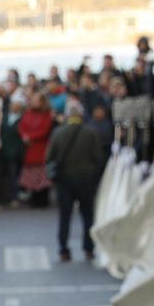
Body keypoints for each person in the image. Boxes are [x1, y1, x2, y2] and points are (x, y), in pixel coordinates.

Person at [46, 104, 105, 262]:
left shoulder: (58, 133)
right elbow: (98, 157)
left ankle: (63, 249)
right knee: (87, 216)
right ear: (81, 115)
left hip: (64, 181)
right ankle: (88, 249)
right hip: (85, 180)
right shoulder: (90, 132)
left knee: (64, 216)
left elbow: (49, 157)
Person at [17, 92, 55, 206]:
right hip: (29, 149)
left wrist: (31, 137)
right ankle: (33, 198)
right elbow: (21, 126)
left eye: (36, 100)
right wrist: (24, 136)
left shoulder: (47, 114)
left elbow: (45, 129)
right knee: (31, 175)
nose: (34, 102)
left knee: (42, 176)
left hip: (41, 148)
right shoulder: (28, 113)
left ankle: (43, 200)